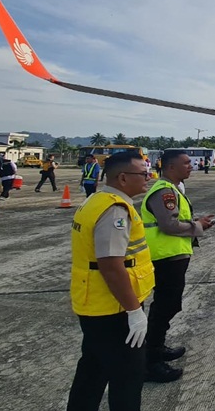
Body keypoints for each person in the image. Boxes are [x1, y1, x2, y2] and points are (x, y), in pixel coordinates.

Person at [66, 151, 155, 411]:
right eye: (143, 173)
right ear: (124, 177)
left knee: (93, 369)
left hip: (95, 303)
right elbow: (111, 265)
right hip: (112, 308)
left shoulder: (96, 200)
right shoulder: (115, 209)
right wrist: (134, 311)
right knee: (128, 375)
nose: (148, 177)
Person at [140, 149, 215, 382]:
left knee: (168, 304)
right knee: (166, 305)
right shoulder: (165, 191)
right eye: (186, 163)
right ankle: (151, 360)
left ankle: (156, 346)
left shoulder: (171, 189)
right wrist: (198, 226)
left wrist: (196, 224)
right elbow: (169, 225)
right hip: (165, 256)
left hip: (171, 255)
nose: (191, 166)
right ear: (171, 167)